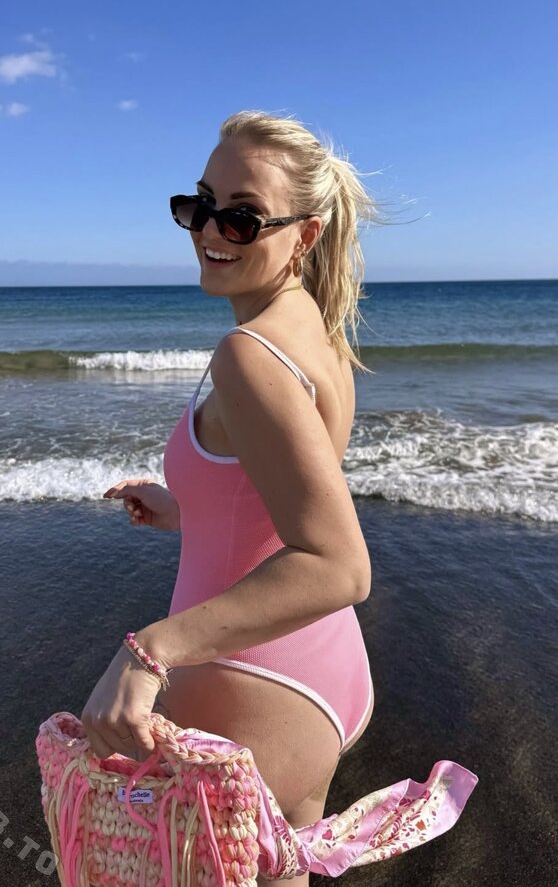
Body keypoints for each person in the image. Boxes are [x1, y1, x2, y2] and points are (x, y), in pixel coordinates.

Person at [83, 110, 387, 887]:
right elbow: (281, 501)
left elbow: (339, 565)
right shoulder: (317, 331)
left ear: (305, 235)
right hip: (321, 674)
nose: (210, 231)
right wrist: (186, 508)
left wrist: (149, 652)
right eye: (200, 205)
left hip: (251, 681)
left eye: (242, 216)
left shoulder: (247, 355)